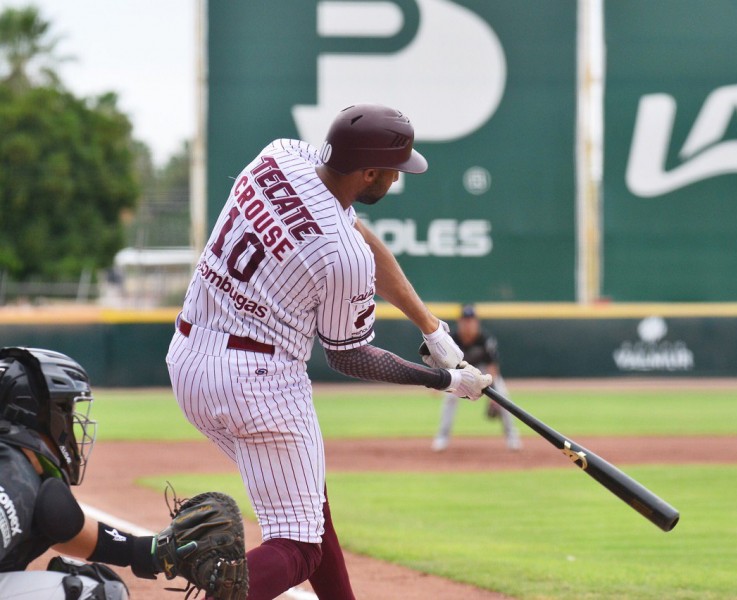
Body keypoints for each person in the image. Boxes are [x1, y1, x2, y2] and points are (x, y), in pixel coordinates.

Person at [166, 103, 493, 599]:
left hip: (190, 359)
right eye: (392, 171)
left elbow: (358, 236)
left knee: (310, 506)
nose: (396, 179)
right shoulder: (340, 255)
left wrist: (430, 328)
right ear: (367, 173)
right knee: (299, 548)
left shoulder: (282, 155)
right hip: (259, 383)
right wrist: (444, 381)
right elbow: (348, 355)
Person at [0, 346, 164, 599]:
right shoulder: (11, 477)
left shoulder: (17, 471)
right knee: (95, 593)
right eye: (67, 410)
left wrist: (145, 551)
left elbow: (59, 524)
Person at [432, 304, 521, 452]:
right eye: (465, 320)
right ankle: (442, 437)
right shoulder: (452, 338)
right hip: (459, 370)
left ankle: (512, 436)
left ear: (476, 322)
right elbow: (444, 362)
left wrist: (493, 396)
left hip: (483, 371)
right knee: (450, 398)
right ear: (459, 322)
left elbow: (492, 368)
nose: (468, 324)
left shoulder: (485, 339)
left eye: (471, 320)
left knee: (503, 396)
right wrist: (438, 383)